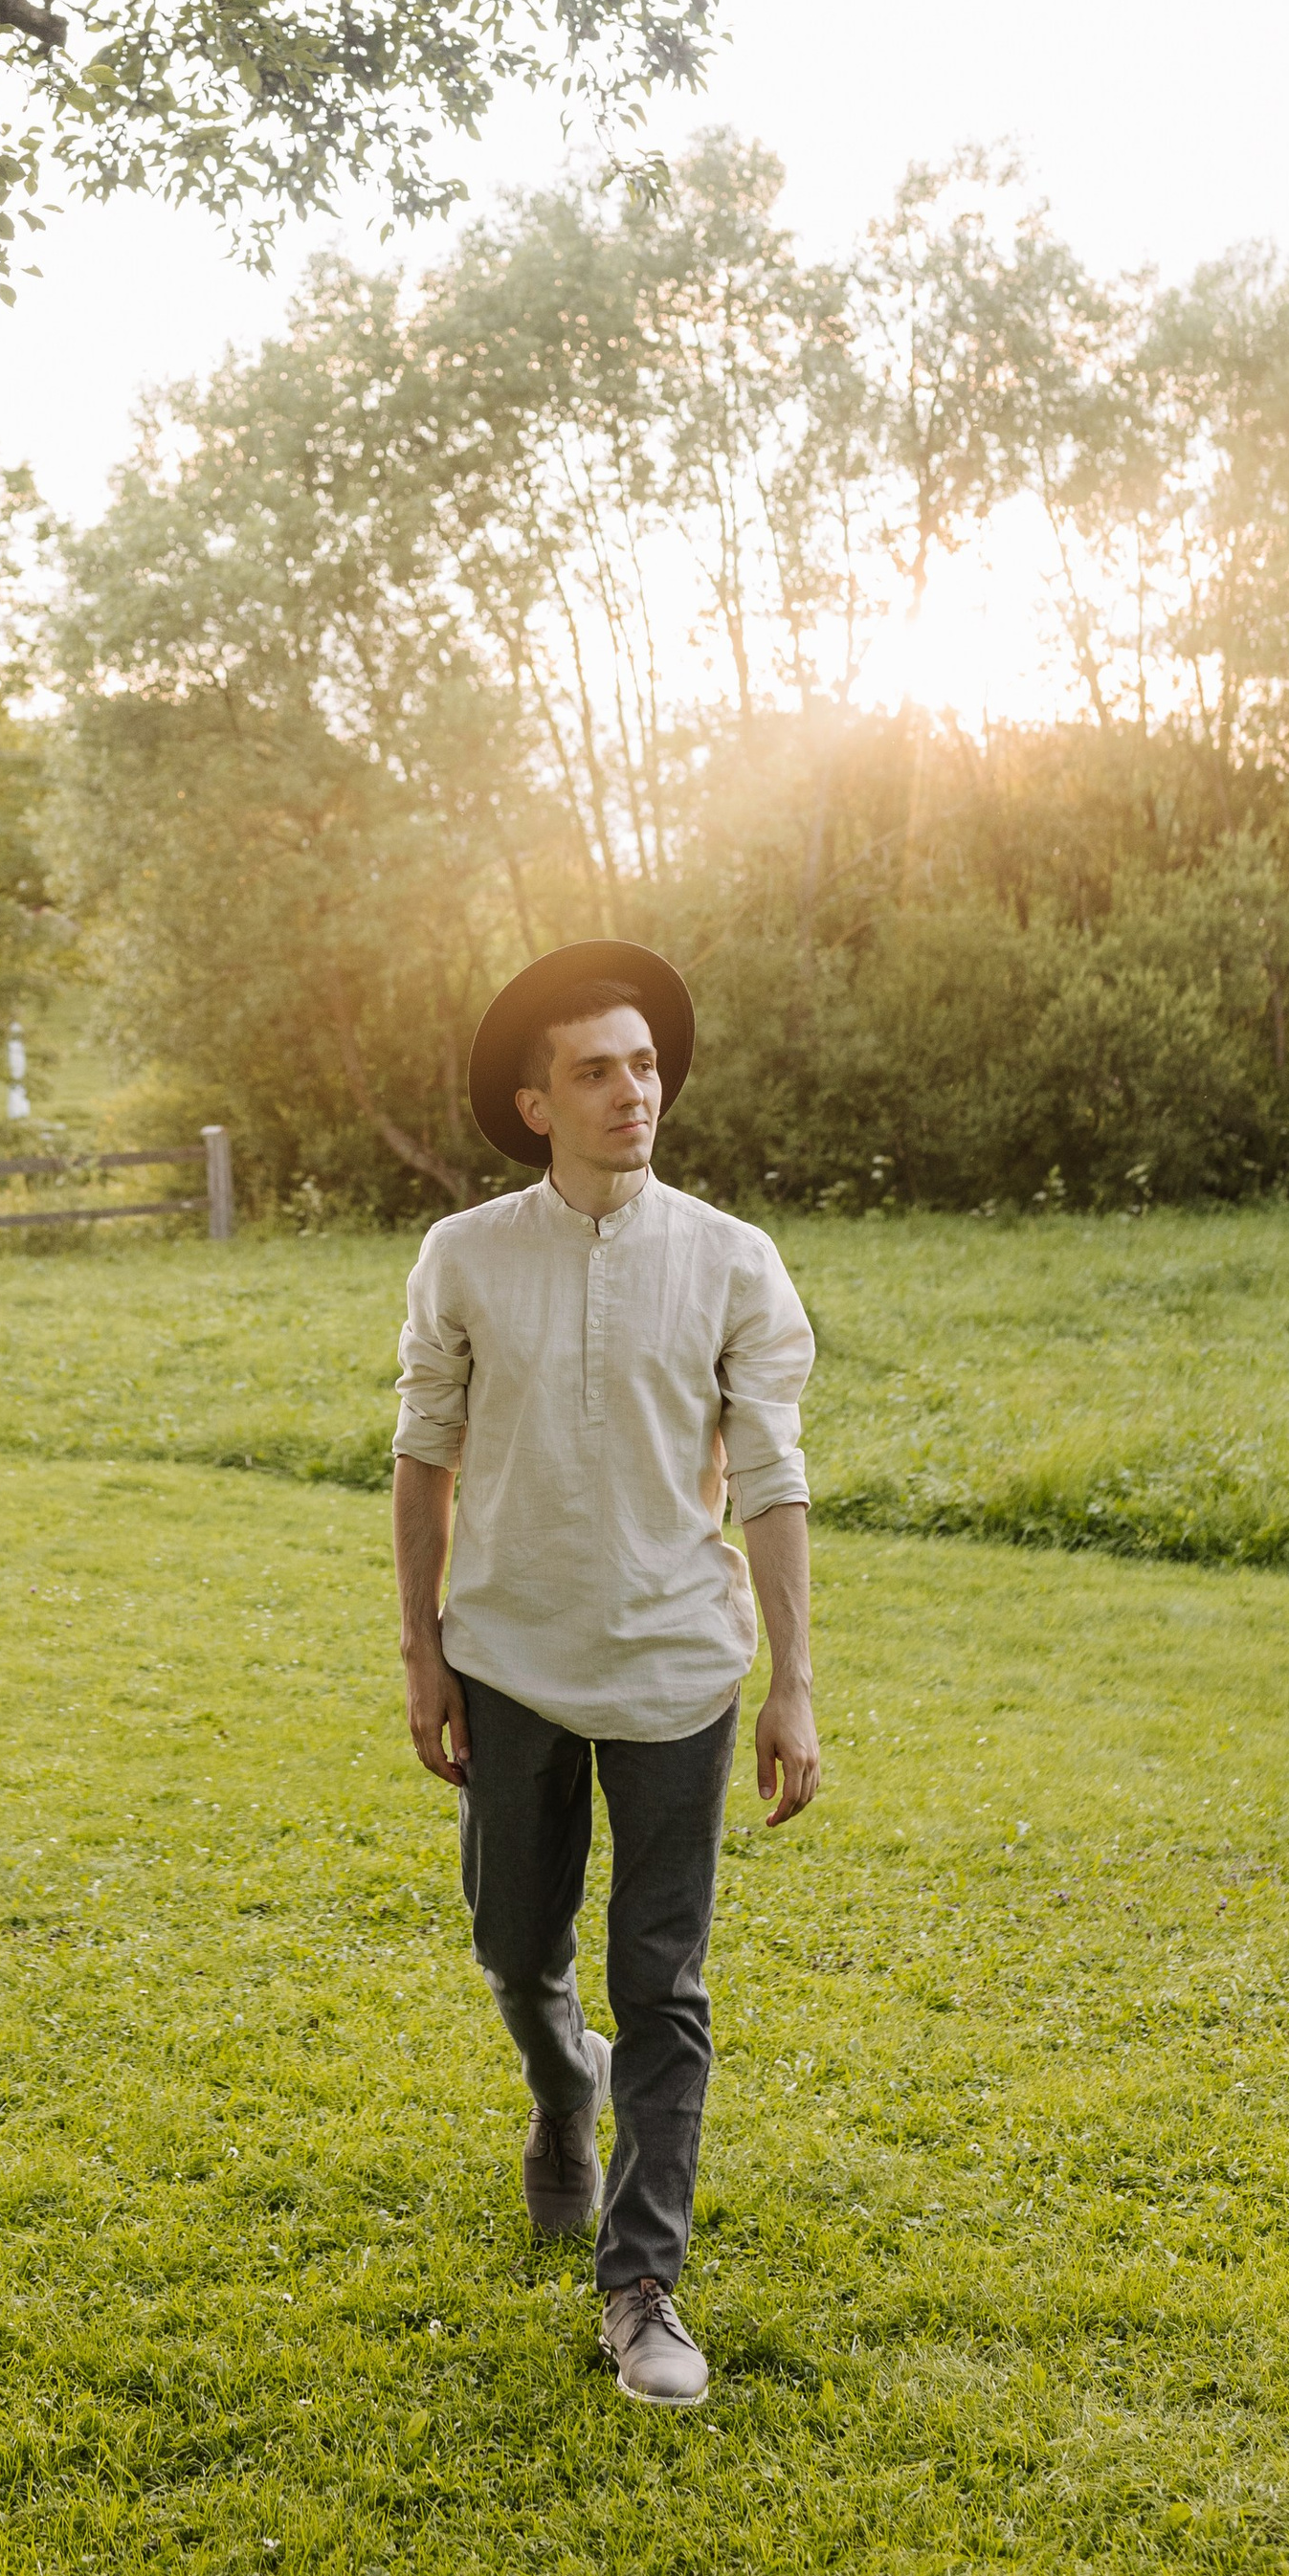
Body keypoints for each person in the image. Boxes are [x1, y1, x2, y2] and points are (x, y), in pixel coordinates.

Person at [391, 940, 819, 2409]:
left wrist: (795, 1681)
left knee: (665, 1978)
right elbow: (422, 1456)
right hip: (504, 1655)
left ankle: (642, 2285)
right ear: (535, 1103)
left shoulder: (732, 1259)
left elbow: (770, 1474)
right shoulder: (463, 1256)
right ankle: (563, 2089)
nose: (634, 1089)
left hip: (680, 1667)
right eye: (597, 1070)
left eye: (645, 1064)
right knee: (517, 1950)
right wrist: (423, 1649)